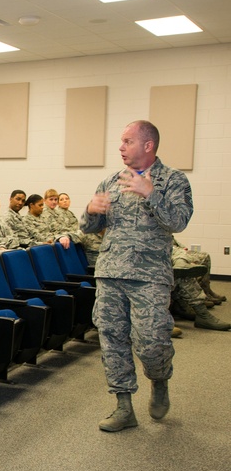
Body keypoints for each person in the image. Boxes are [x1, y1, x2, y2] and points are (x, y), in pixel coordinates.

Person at [81, 120, 194, 432]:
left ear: (148, 145)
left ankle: (159, 379)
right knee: (112, 338)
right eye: (121, 142)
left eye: (127, 141)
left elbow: (179, 221)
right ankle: (123, 406)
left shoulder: (172, 180)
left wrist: (151, 194)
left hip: (149, 275)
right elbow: (88, 227)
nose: (121, 147)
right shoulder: (112, 180)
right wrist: (91, 210)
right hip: (110, 272)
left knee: (152, 341)